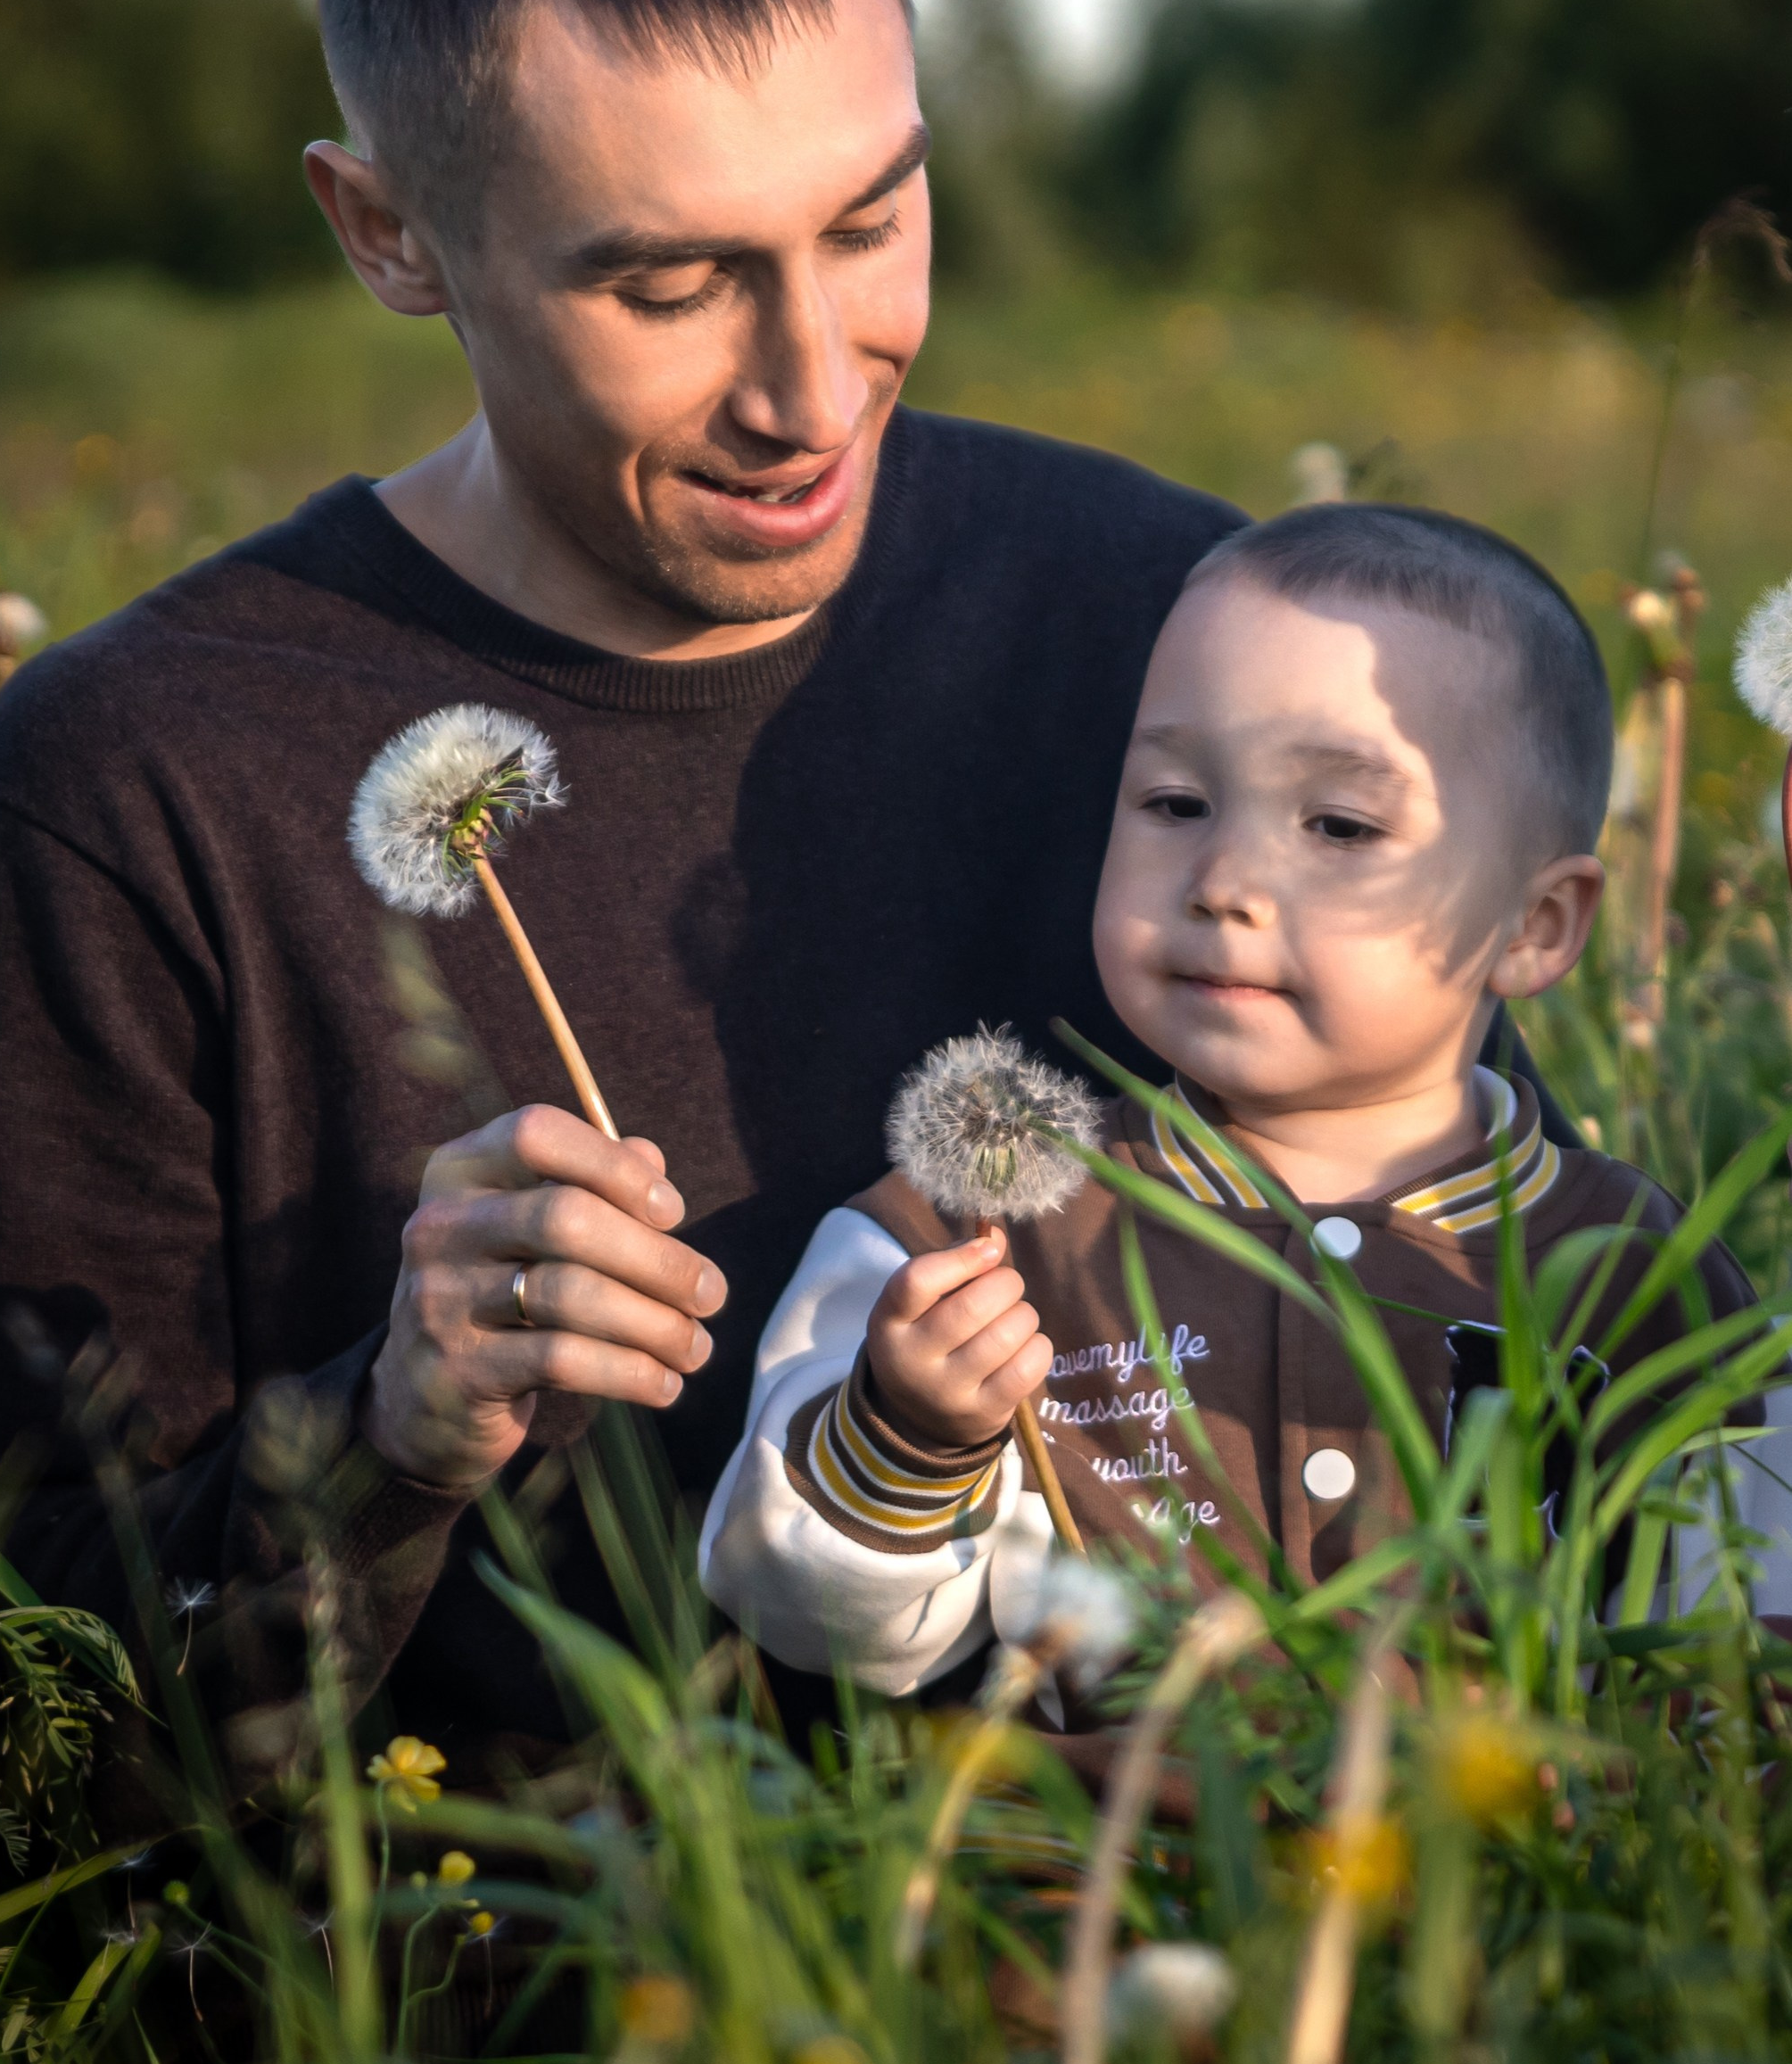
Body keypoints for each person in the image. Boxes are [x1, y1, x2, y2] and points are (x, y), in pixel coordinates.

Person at [0, 0, 1243, 1790]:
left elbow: (1476, 1299)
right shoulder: (133, 784)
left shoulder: (1182, 625)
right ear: (387, 234)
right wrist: (384, 1434)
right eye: (671, 284)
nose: (815, 389)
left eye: (874, 226)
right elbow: (11, 1700)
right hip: (508, 2036)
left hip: (1179, 1936)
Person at [699, 505, 1774, 1699]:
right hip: (1094, 1874)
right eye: (1175, 803)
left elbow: (1747, 1656)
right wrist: (906, 1435)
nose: (1224, 882)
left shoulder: (1643, 1276)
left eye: (1339, 826)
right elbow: (803, 1616)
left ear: (1535, 927)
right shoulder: (973, 1237)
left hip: (1512, 1862)